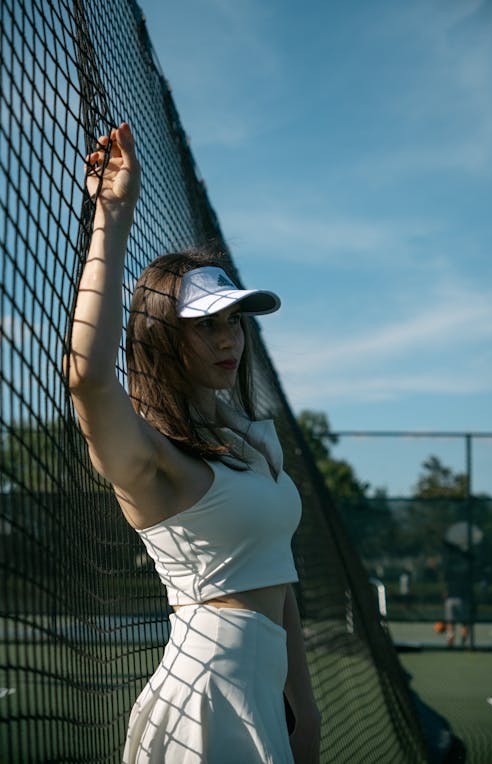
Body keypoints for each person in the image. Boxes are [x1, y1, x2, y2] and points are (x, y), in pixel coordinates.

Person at [67, 122, 321, 763]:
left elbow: (276, 573)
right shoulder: (152, 456)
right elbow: (89, 378)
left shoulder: (247, 440)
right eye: (207, 325)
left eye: (233, 321)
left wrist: (307, 711)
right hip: (204, 698)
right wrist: (113, 216)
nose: (229, 339)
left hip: (259, 696)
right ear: (162, 337)